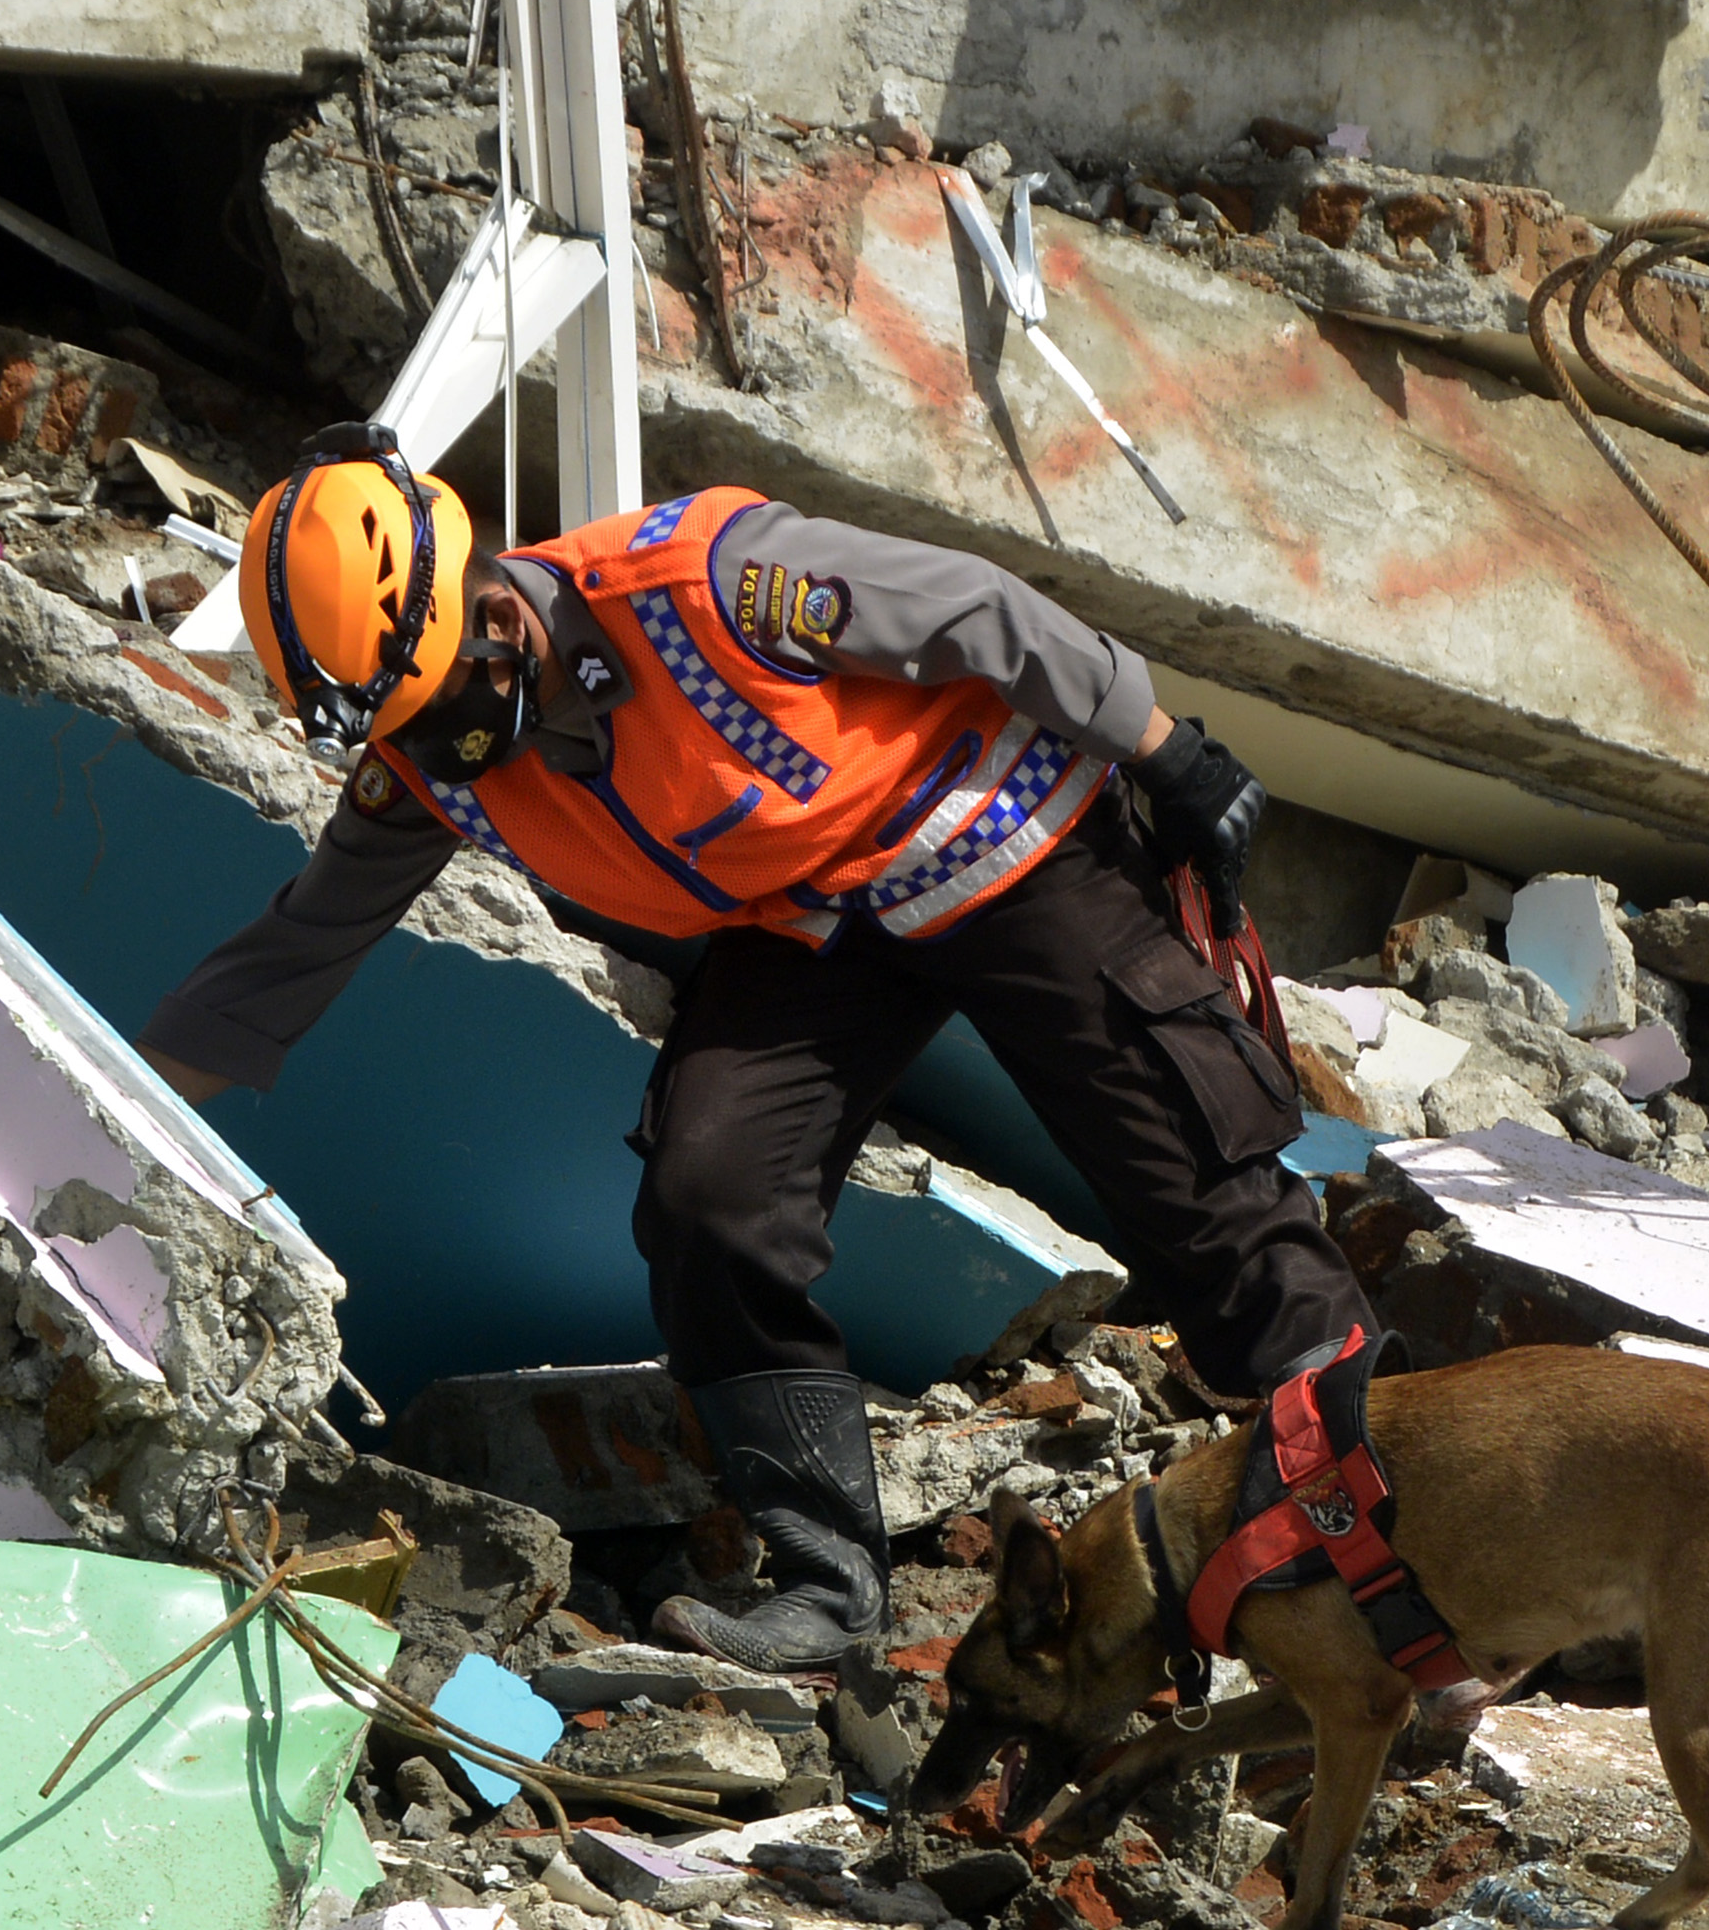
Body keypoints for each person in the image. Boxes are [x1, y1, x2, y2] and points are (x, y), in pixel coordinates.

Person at [136, 424, 1375, 1670]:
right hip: (817, 923)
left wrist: (1171, 758)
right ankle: (829, 1583)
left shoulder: (704, 582)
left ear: (498, 616)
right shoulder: (429, 761)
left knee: (1193, 1178)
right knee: (709, 1194)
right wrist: (115, 1127)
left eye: (451, 713)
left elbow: (978, 612)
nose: (447, 754)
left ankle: (1379, 1538)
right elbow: (292, 950)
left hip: (1004, 833)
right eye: (408, 731)